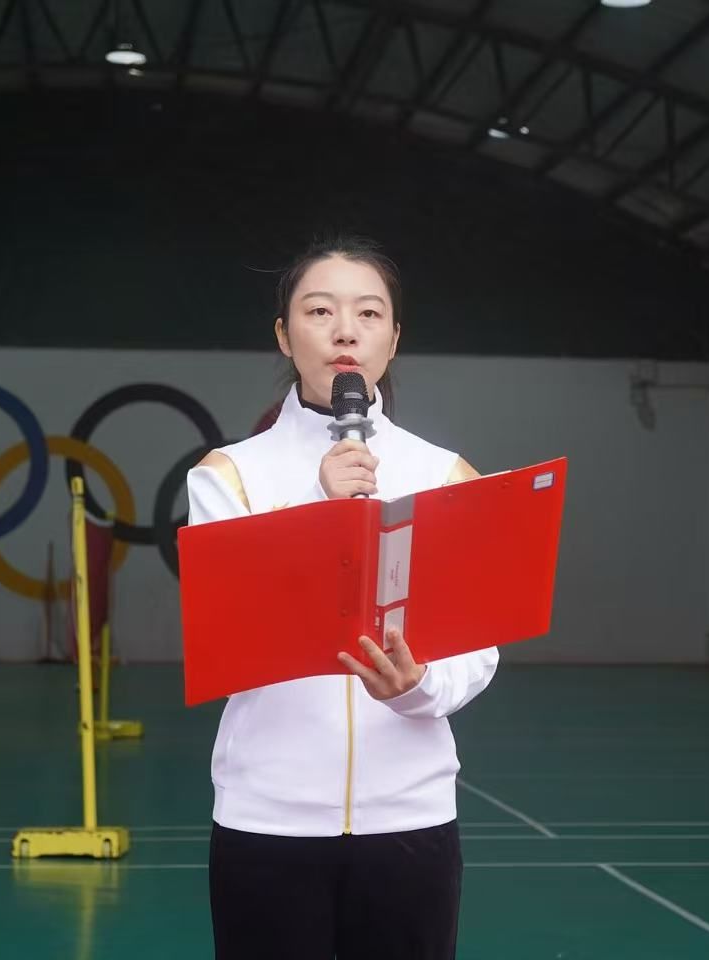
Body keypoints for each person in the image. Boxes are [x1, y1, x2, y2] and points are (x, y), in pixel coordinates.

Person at [185, 236, 499, 959]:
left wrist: (418, 687)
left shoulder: (447, 475)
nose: (345, 331)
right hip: (268, 820)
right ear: (284, 335)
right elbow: (229, 638)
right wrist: (317, 509)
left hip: (411, 822)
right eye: (320, 311)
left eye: (368, 313)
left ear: (394, 338)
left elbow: (477, 648)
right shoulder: (228, 477)